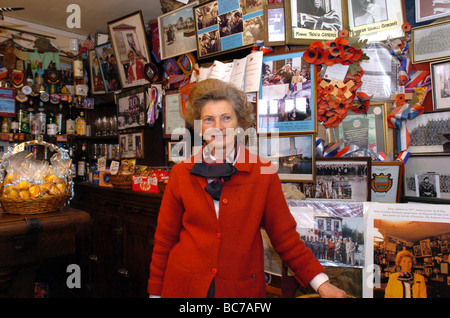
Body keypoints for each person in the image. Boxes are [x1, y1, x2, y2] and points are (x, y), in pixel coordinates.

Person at [147, 79, 346, 298]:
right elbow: (164, 240)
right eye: (208, 119)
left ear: (239, 123)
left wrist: (321, 283)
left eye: (226, 118)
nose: (218, 127)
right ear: (198, 125)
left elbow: (285, 237)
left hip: (240, 290)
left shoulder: (263, 173)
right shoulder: (181, 173)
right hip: (184, 287)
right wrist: (155, 292)